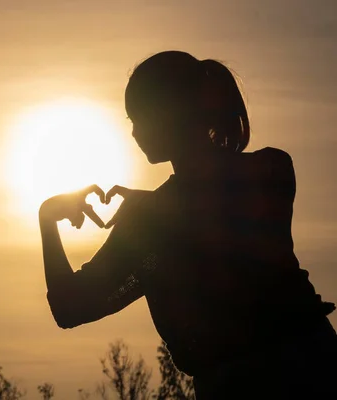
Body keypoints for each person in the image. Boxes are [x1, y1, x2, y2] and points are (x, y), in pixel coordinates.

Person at [38, 51, 337, 399]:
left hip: (276, 375)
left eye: (140, 117)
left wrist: (150, 207)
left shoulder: (264, 171)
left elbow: (215, 225)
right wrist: (49, 218)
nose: (134, 132)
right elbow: (71, 307)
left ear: (172, 113)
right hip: (281, 372)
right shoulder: (155, 216)